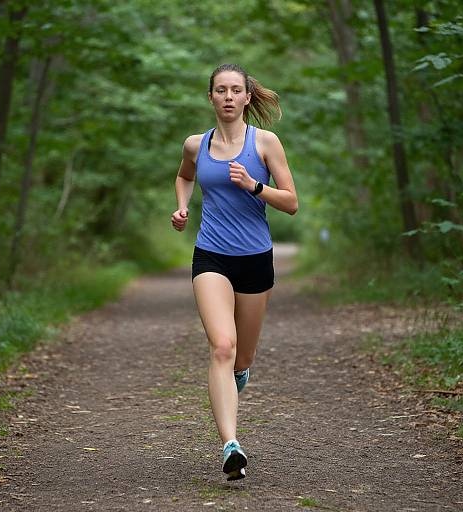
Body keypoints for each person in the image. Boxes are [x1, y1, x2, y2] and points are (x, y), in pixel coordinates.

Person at [171, 63, 298, 481]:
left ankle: (235, 379)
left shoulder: (265, 143)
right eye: (220, 90)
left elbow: (292, 202)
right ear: (210, 97)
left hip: (255, 258)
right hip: (211, 255)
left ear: (246, 97)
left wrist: (254, 187)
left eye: (235, 90)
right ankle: (230, 444)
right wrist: (183, 205)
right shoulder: (196, 144)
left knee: (241, 358)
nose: (227, 96)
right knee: (222, 347)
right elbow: (184, 175)